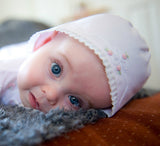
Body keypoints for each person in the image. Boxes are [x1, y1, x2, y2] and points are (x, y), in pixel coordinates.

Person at [0, 14, 151, 117]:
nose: (51, 95)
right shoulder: (6, 69)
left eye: (74, 100)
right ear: (45, 41)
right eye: (56, 69)